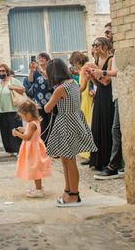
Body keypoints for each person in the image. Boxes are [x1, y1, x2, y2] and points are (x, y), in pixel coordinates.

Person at [44, 58, 97, 207]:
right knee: (66, 160)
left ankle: (74, 194)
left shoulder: (60, 89)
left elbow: (47, 108)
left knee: (69, 161)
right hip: (74, 120)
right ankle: (68, 191)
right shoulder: (73, 83)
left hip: (65, 123)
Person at [13, 100, 52, 198]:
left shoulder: (32, 124)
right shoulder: (34, 122)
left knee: (35, 169)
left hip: (33, 149)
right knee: (35, 168)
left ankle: (39, 190)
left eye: (23, 116)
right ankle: (38, 187)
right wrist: (23, 129)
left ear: (28, 114)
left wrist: (17, 134)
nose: (23, 118)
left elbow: (27, 137)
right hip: (34, 147)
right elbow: (29, 132)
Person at [87, 37, 114, 172]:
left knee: (106, 125)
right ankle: (97, 160)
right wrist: (92, 77)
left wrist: (96, 69)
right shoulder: (97, 60)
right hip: (99, 95)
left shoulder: (110, 59)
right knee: (97, 125)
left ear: (105, 45)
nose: (95, 47)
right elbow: (99, 83)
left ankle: (107, 160)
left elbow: (106, 82)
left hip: (108, 94)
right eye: (93, 45)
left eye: (97, 45)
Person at [23, 52, 54, 144]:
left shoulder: (51, 70)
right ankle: (43, 145)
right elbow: (30, 81)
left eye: (43, 58)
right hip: (38, 102)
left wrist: (40, 69)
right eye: (39, 58)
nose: (40, 59)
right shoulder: (36, 71)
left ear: (47, 60)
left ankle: (52, 146)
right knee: (41, 124)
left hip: (50, 101)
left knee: (51, 124)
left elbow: (49, 79)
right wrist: (32, 71)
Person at [0, 63, 23, 156]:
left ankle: (18, 150)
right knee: (5, 131)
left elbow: (23, 90)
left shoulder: (13, 80)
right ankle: (9, 150)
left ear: (7, 72)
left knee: (15, 130)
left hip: (13, 110)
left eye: (3, 71)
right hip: (2, 111)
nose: (1, 73)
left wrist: (13, 87)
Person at [69, 52, 92, 163]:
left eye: (74, 63)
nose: (74, 66)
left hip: (86, 96)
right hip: (89, 95)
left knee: (86, 123)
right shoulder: (89, 64)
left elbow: (82, 87)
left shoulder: (84, 68)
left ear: (77, 61)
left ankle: (88, 153)